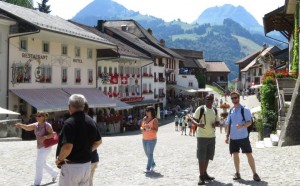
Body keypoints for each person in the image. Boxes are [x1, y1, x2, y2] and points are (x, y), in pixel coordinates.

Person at [55, 94, 102, 186]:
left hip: (72, 166)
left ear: (69, 107)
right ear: (83, 106)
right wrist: (87, 150)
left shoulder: (69, 123)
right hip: (86, 165)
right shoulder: (91, 121)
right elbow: (98, 142)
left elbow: (67, 147)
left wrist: (60, 159)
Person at [225, 91, 261, 182]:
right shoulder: (231, 110)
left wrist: (242, 126)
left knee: (249, 154)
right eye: (232, 98)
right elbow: (228, 124)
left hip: (243, 136)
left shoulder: (245, 109)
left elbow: (249, 122)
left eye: (235, 98)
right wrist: (227, 136)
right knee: (235, 154)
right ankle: (237, 173)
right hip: (233, 137)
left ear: (239, 98)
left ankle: (254, 173)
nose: (234, 100)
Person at [15, 111, 58, 186]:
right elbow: (28, 127)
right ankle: (54, 173)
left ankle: (37, 183)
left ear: (44, 117)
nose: (37, 117)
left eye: (39, 116)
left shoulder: (47, 125)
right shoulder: (36, 125)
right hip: (39, 147)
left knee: (38, 164)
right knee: (42, 163)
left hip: (46, 147)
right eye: (36, 116)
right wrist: (21, 125)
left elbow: (52, 134)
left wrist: (45, 137)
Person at [190, 94, 220, 185]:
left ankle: (205, 173)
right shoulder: (201, 109)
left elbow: (218, 122)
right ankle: (201, 176)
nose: (209, 101)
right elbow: (193, 119)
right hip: (202, 136)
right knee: (201, 157)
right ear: (205, 100)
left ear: (213, 100)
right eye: (207, 99)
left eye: (211, 99)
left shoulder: (215, 110)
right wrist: (198, 124)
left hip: (212, 136)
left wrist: (216, 124)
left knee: (208, 156)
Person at [84, 102, 102, 186]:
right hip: (93, 158)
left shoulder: (83, 122)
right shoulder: (92, 121)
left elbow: (99, 141)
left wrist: (86, 151)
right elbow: (99, 141)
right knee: (89, 182)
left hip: (86, 159)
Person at [140, 106, 159, 173]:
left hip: (152, 139)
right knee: (147, 153)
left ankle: (148, 168)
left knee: (150, 154)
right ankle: (153, 164)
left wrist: (150, 128)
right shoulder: (145, 118)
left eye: (148, 111)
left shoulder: (155, 120)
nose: (146, 112)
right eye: (146, 111)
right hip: (144, 138)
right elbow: (142, 127)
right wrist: (142, 129)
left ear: (151, 112)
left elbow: (156, 130)